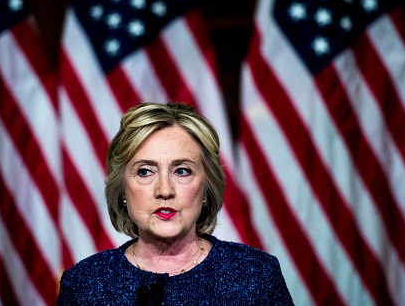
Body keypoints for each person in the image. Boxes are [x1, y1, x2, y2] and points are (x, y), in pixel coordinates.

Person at [56, 101, 294, 305]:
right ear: (122, 189)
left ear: (206, 187)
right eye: (145, 172)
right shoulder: (84, 285)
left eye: (181, 171)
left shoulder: (256, 276)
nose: (165, 191)